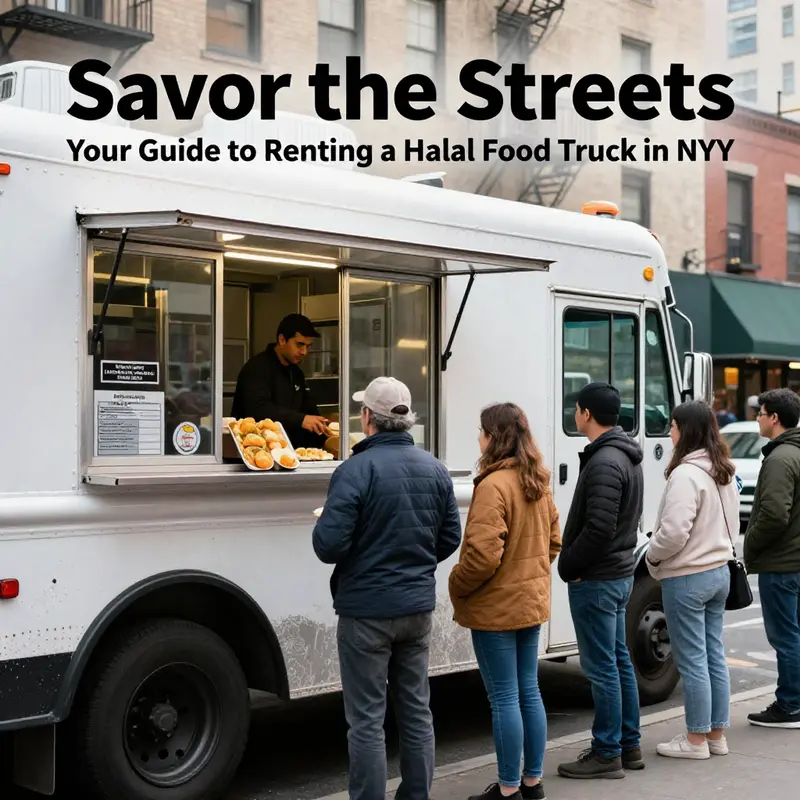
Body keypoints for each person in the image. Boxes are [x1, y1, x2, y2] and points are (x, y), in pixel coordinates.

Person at [311, 376, 463, 800]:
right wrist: (415, 565)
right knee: (416, 711)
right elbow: (450, 537)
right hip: (416, 608)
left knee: (366, 720)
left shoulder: (354, 470)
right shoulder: (434, 468)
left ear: (367, 419)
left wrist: (326, 522)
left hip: (365, 611)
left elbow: (329, 546)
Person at [449, 403, 562, 800]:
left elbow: (480, 556)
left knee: (504, 698)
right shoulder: (537, 479)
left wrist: (456, 585)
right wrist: (525, 575)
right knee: (528, 691)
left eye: (481, 432)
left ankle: (508, 788)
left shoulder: (493, 485)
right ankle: (532, 782)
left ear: (493, 437)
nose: (477, 438)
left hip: (495, 608)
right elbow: (553, 542)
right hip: (529, 604)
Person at [555, 383, 644, 780]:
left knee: (602, 667)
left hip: (598, 577)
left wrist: (568, 563)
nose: (575, 415)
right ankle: (629, 744)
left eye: (576, 409)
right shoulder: (622, 455)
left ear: (586, 414)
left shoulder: (606, 461)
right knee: (618, 661)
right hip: (618, 574)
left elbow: (600, 528)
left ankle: (608, 751)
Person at [645, 401, 739, 759]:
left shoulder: (686, 474)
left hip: (688, 575)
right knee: (713, 654)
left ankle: (696, 740)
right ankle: (716, 735)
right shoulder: (721, 470)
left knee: (692, 659)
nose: (669, 432)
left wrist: (652, 556)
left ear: (686, 430)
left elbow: (672, 533)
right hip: (719, 572)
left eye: (672, 426)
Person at [744, 388, 800, 728]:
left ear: (774, 418)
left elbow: (775, 514)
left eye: (760, 413)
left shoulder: (780, 458)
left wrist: (750, 544)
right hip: (794, 560)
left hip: (782, 563)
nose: (757, 418)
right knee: (794, 633)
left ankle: (790, 704)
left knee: (785, 636)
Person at [230, 313, 329, 448]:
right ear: (282, 340)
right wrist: (301, 420)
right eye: (299, 345)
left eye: (308, 346)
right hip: (255, 450)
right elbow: (258, 409)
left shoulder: (296, 373)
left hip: (289, 451)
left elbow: (308, 409)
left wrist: (323, 424)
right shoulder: (257, 368)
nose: (304, 352)